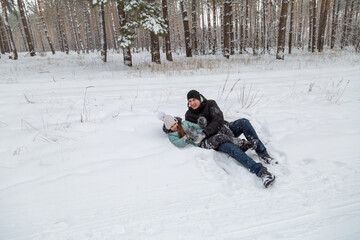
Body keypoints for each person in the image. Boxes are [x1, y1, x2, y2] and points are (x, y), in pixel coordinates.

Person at [185, 89, 276, 188]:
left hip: (225, 129)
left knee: (244, 122)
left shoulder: (210, 104)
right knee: (231, 148)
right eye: (190, 101)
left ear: (199, 98)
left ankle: (263, 154)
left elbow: (218, 119)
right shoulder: (189, 115)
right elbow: (193, 131)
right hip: (216, 140)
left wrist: (204, 133)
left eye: (194, 99)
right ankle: (261, 172)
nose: (192, 103)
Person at [159, 113, 258, 151]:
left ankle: (238, 144)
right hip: (202, 142)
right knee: (220, 137)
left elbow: (196, 126)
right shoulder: (172, 136)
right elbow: (179, 144)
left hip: (204, 134)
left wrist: (201, 124)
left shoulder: (184, 123)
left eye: (174, 124)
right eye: (171, 126)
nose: (174, 127)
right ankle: (242, 143)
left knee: (222, 127)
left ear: (176, 121)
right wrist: (187, 137)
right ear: (169, 128)